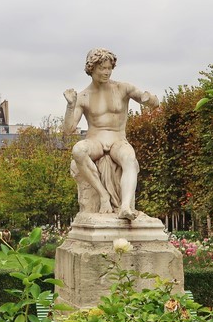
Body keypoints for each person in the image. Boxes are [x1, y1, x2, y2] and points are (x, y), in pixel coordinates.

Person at [63, 48, 159, 220]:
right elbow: (69, 129)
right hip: (95, 141)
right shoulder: (83, 96)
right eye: (102, 68)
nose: (107, 72)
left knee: (129, 158)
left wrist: (149, 99)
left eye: (109, 68)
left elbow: (152, 102)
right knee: (78, 150)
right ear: (91, 69)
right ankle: (103, 195)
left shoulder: (123, 88)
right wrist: (70, 106)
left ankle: (125, 206)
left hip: (118, 140)